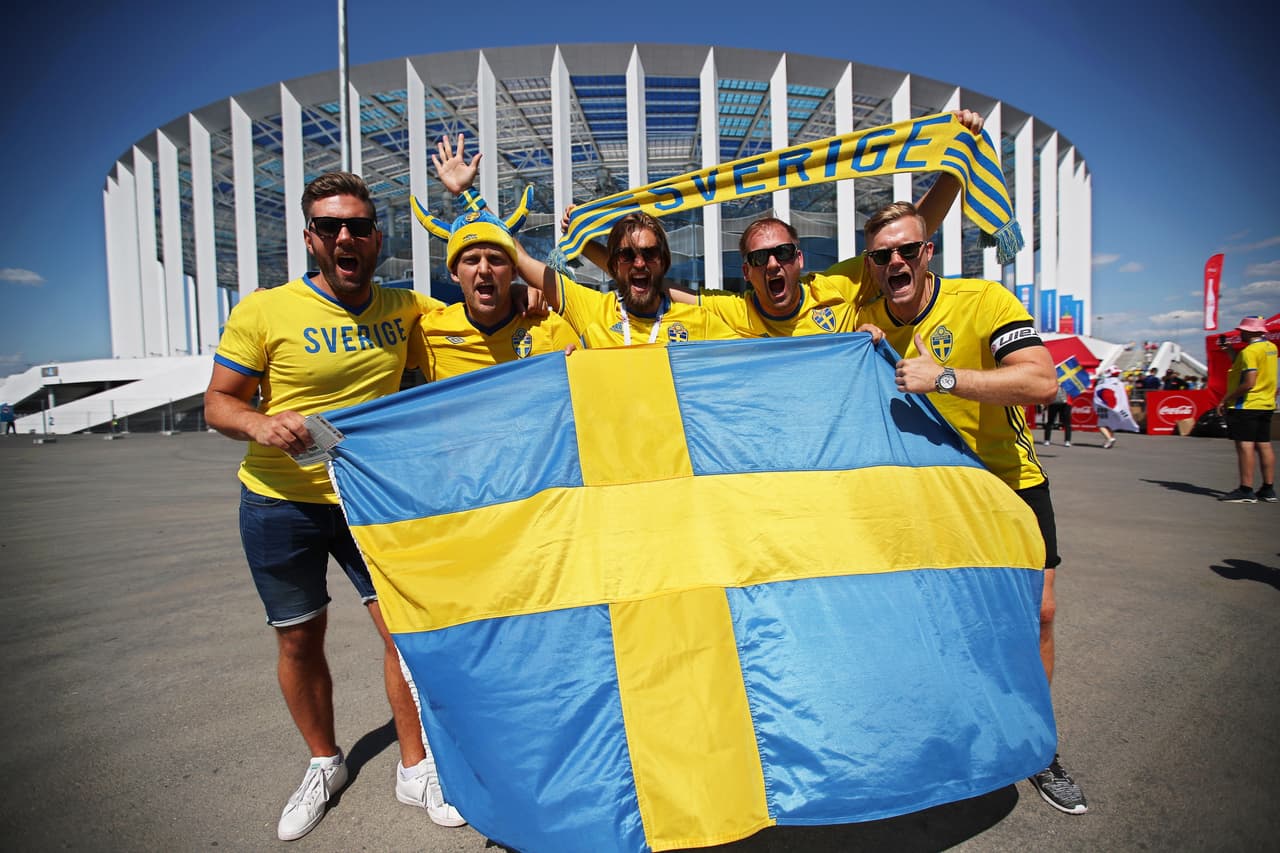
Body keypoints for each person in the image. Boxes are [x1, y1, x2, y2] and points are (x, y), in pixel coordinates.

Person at [203, 171, 464, 841]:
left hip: (366, 498)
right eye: (329, 226)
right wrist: (261, 424)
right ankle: (325, 762)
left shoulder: (405, 308)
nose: (344, 236)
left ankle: (415, 767)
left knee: (401, 635)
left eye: (357, 225)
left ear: (378, 237)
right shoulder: (265, 309)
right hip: (278, 500)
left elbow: (479, 303)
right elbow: (219, 401)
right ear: (310, 239)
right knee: (298, 635)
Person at [855, 200, 1087, 815]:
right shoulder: (867, 318)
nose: (897, 261)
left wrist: (946, 378)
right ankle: (947, 743)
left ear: (928, 251)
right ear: (872, 265)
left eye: (908, 249)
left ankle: (1039, 749)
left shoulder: (983, 300)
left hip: (1009, 484)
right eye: (883, 255)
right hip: (929, 497)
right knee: (937, 620)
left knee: (1038, 613)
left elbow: (1043, 383)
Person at [411, 138, 579, 379]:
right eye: (470, 260)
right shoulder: (426, 332)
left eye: (496, 259)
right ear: (454, 273)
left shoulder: (550, 329)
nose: (484, 269)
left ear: (514, 271)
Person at [1216, 316, 1277, 503]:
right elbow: (1250, 368)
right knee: (1264, 444)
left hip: (1246, 404)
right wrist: (1231, 353)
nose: (1240, 333)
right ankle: (1268, 488)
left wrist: (1225, 399)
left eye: (1242, 330)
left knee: (1245, 445)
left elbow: (1249, 382)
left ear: (1251, 332)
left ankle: (1246, 488)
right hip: (1266, 402)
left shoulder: (1250, 351)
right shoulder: (1270, 348)